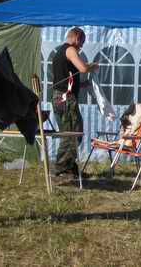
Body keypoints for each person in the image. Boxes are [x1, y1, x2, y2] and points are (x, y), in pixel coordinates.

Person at [51, 27, 97, 181]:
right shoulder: (70, 50)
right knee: (72, 134)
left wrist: (82, 85)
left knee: (70, 132)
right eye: (82, 42)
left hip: (59, 97)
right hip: (65, 99)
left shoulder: (60, 51)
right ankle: (61, 168)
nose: (81, 46)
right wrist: (93, 66)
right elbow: (82, 68)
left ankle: (70, 167)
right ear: (77, 38)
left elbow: (66, 77)